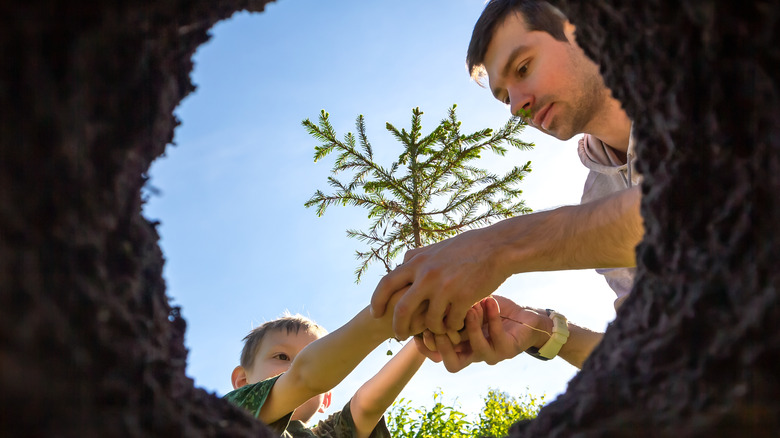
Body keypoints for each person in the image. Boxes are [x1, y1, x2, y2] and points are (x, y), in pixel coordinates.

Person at [370, 0, 643, 368]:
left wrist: (499, 247)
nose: (516, 107)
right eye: (504, 97)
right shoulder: (598, 196)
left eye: (524, 67)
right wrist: (545, 332)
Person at [224, 301, 426, 438]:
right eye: (282, 357)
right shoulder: (230, 415)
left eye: (317, 357)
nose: (294, 367)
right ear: (242, 381)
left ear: (326, 398)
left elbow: (366, 406)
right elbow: (304, 378)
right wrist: (393, 315)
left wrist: (424, 341)